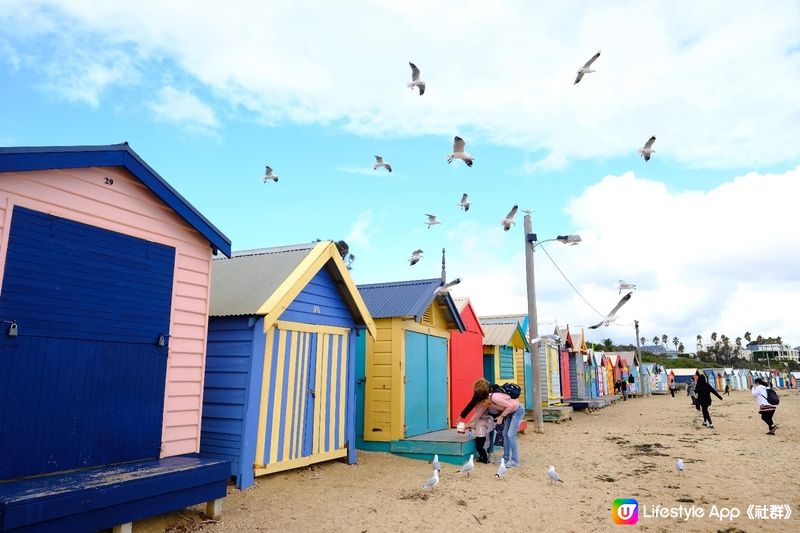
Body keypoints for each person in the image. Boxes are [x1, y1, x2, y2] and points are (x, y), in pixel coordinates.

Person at [469, 387, 525, 468]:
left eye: (481, 403)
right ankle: (505, 458)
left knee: (510, 435)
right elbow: (478, 413)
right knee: (505, 434)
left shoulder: (495, 398)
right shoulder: (488, 402)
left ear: (483, 399)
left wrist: (501, 416)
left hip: (517, 410)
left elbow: (510, 406)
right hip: (510, 413)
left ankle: (515, 461)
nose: (481, 406)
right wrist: (468, 423)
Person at [456, 378, 497, 464]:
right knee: (484, 432)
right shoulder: (478, 394)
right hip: (484, 417)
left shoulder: (492, 391)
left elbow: (478, 413)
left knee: (489, 433)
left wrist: (468, 423)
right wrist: (461, 416)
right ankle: (487, 455)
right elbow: (470, 405)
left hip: (492, 414)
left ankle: (490, 454)